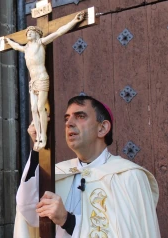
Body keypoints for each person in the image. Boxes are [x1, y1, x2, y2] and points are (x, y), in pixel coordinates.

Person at [13, 95, 160, 237]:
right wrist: (38, 147)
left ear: (102, 128)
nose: (69, 123)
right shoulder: (58, 173)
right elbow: (29, 213)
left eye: (80, 116)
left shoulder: (130, 176)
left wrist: (68, 221)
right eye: (66, 118)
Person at [4, 12, 85, 151]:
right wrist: (7, 40)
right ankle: (39, 136)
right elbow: (16, 46)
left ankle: (44, 137)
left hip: (41, 78)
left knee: (41, 107)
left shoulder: (41, 43)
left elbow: (59, 32)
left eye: (31, 32)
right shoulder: (26, 48)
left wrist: (74, 21)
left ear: (37, 34)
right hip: (33, 81)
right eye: (27, 33)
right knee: (33, 109)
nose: (28, 34)